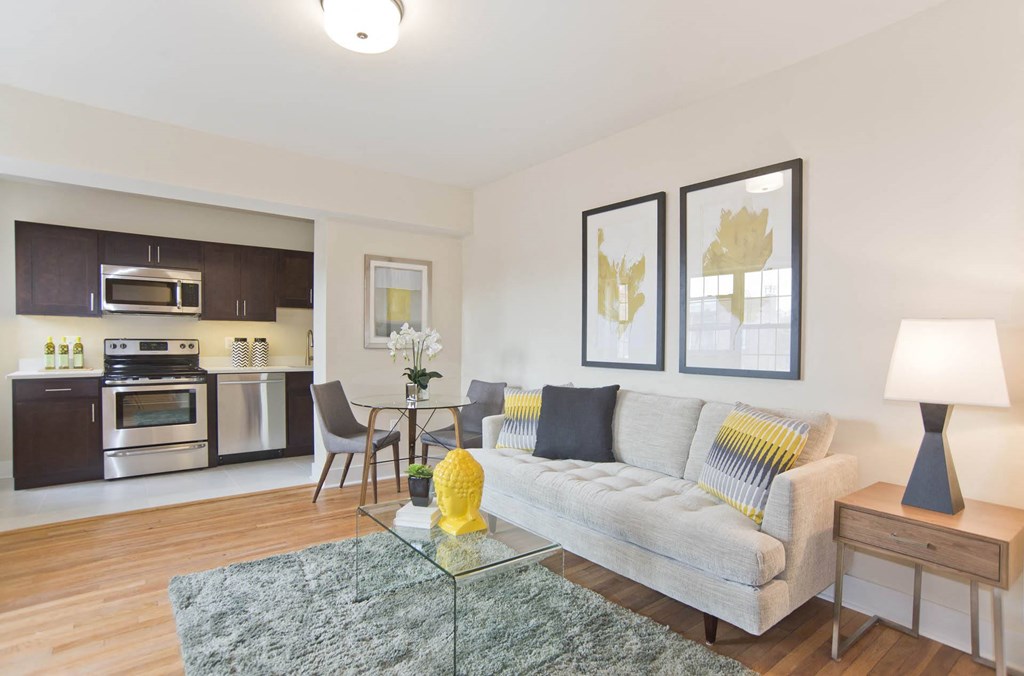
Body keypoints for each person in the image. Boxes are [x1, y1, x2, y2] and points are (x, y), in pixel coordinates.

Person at [433, 449, 487, 535]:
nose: (439, 501)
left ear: (472, 497)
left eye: (446, 495)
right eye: (437, 493)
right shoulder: (443, 519)